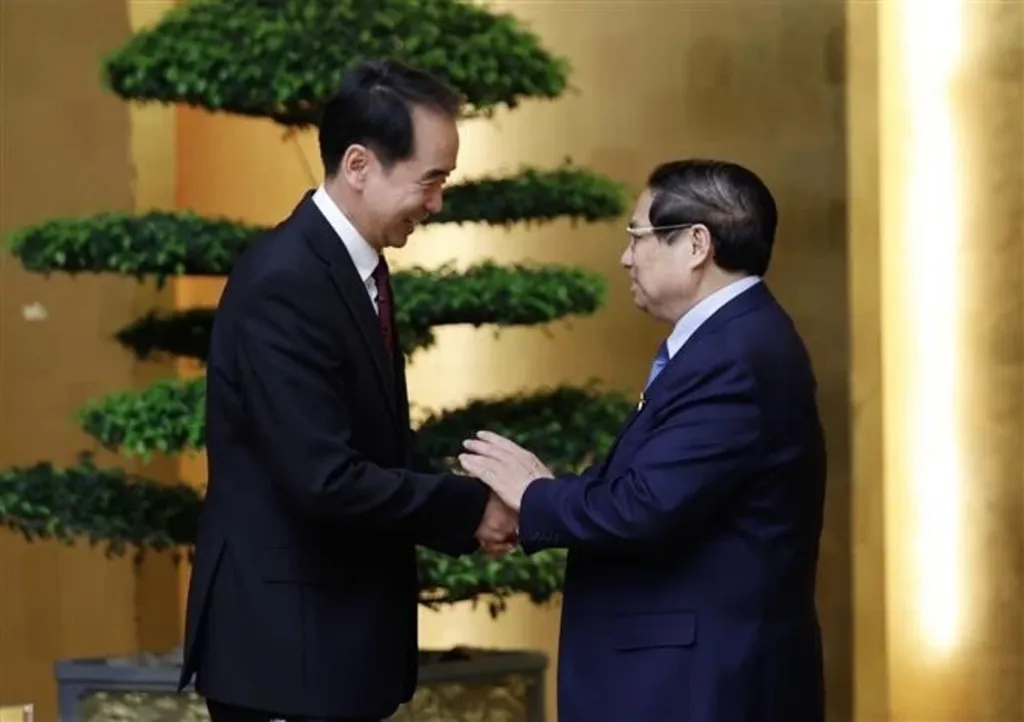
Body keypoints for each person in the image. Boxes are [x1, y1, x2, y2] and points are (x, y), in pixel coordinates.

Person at [178, 59, 518, 722]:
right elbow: (325, 478)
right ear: (359, 165)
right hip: (286, 657)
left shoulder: (352, 269)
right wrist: (470, 509)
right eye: (430, 180)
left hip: (332, 649)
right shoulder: (286, 281)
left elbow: (379, 448)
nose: (437, 203)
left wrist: (479, 504)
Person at [460, 159, 827, 722]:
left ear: (697, 244)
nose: (626, 257)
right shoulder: (734, 340)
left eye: (638, 236)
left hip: (700, 687)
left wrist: (534, 495)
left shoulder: (736, 356)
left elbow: (643, 505)